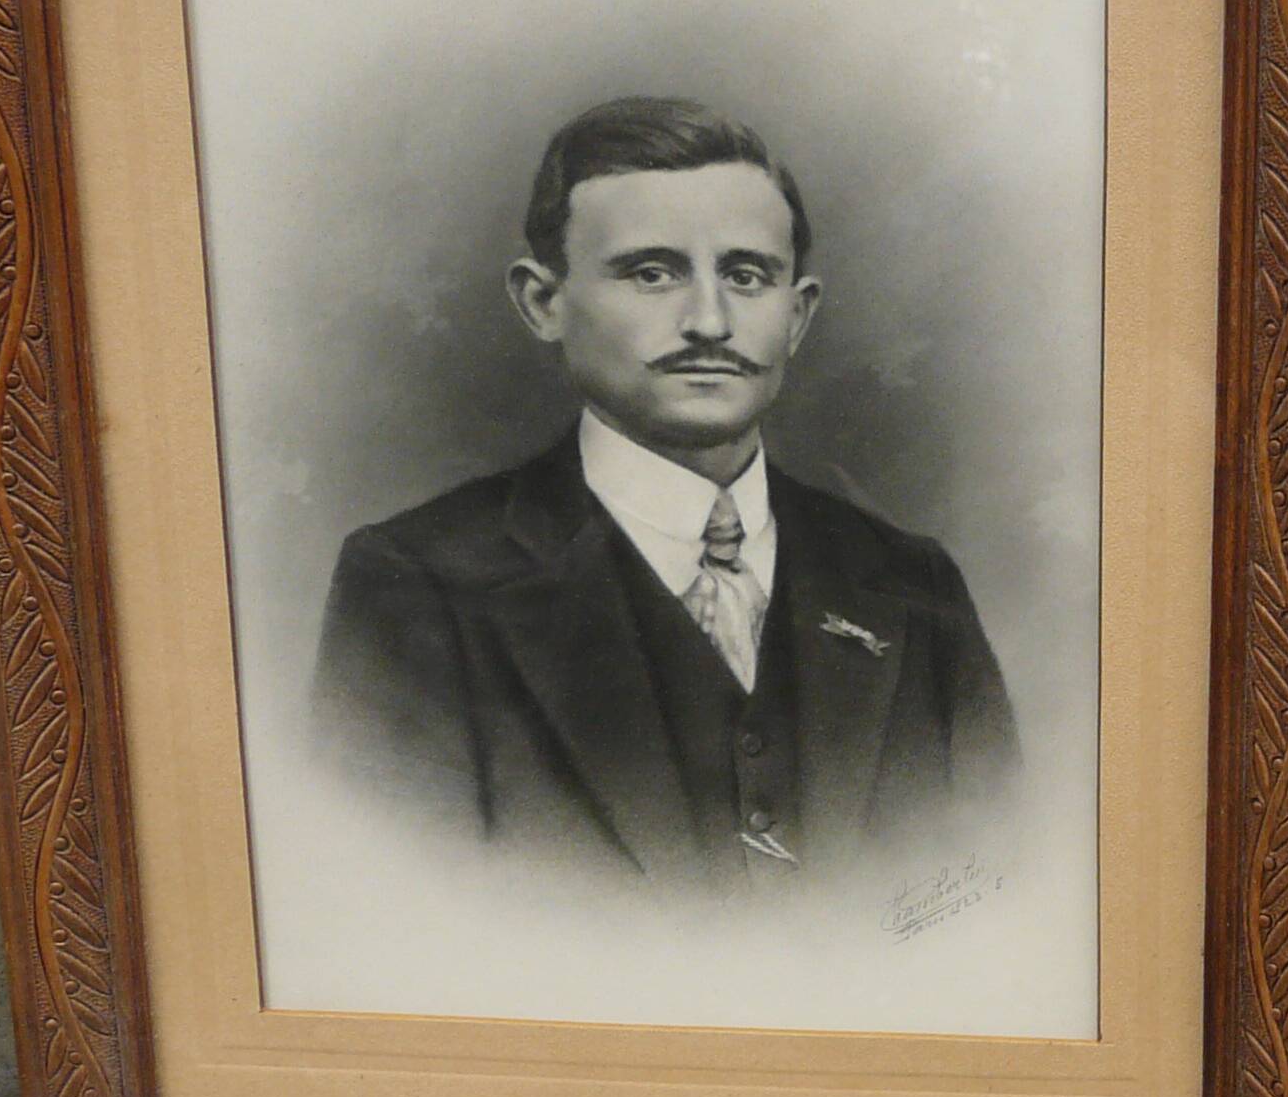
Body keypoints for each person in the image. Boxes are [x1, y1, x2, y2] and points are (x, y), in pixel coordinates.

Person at [313, 95, 1017, 888]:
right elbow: (392, 921)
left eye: (747, 276)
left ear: (797, 315)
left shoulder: (911, 586)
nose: (709, 321)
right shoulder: (417, 586)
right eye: (651, 273)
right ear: (543, 302)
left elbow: (991, 898)